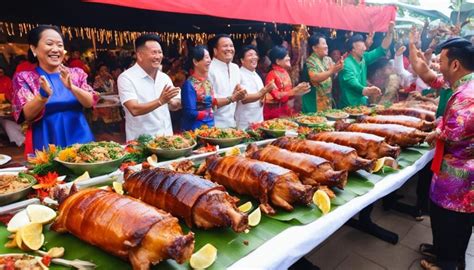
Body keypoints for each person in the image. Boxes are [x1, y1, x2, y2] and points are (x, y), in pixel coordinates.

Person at [410, 36, 473, 270]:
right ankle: (446, 255)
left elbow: (456, 133)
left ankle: (447, 264)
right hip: (456, 175)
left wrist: (436, 130)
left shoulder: (467, 95)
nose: (439, 63)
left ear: (455, 65)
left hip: (458, 179)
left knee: (450, 222)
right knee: (452, 225)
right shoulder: (463, 84)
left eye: (442, 59)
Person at [11, 25, 97, 154]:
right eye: (49, 44)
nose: (56, 49)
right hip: (46, 141)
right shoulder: (25, 77)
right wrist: (42, 96)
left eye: (60, 45)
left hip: (80, 139)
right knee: (50, 173)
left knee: (86, 169)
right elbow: (27, 115)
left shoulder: (76, 73)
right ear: (34, 49)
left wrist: (72, 87)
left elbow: (89, 102)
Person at [118, 34, 181, 141]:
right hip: (141, 144)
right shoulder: (126, 78)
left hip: (167, 140)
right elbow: (134, 109)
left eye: (160, 52)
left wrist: (174, 103)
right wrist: (160, 101)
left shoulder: (164, 77)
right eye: (153, 52)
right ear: (140, 55)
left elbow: (176, 103)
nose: (158, 56)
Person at [180, 46, 246, 131]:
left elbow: (212, 102)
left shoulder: (207, 82)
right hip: (194, 129)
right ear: (195, 62)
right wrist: (208, 113)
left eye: (209, 57)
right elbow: (189, 113)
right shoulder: (189, 84)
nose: (209, 60)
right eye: (206, 57)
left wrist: (232, 97)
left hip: (210, 127)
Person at [338, 22, 395, 108]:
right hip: (349, 106)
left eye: (364, 46)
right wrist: (367, 90)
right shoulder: (346, 64)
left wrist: (389, 33)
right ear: (353, 50)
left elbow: (381, 49)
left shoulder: (364, 57)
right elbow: (353, 83)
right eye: (361, 47)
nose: (365, 48)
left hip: (362, 104)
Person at [207, 34, 247, 128]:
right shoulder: (209, 68)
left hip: (233, 124)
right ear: (215, 51)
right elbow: (207, 101)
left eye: (231, 46)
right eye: (225, 46)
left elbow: (238, 94)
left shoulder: (235, 68)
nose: (229, 49)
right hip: (214, 125)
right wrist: (232, 98)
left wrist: (240, 93)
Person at [264, 45, 310, 120]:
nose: (289, 58)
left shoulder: (285, 72)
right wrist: (294, 91)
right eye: (286, 56)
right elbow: (277, 95)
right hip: (275, 112)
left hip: (285, 110)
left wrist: (298, 91)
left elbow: (289, 94)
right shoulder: (271, 74)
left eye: (288, 55)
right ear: (278, 61)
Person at [235, 45, 276, 129]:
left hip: (258, 119)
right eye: (250, 55)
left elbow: (260, 95)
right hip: (245, 121)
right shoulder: (239, 74)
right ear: (242, 60)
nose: (254, 57)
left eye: (255, 54)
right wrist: (265, 90)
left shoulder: (256, 74)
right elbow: (244, 99)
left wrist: (264, 97)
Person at [301, 33, 344, 113]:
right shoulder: (310, 62)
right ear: (314, 48)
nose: (326, 46)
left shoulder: (328, 60)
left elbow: (334, 72)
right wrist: (332, 71)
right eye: (323, 43)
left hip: (327, 100)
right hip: (314, 101)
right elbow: (315, 77)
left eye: (326, 43)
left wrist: (339, 66)